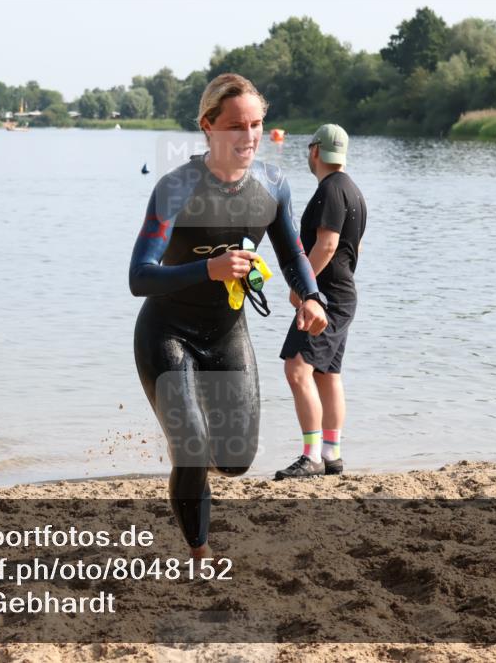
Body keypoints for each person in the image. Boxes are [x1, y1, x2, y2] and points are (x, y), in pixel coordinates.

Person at [129, 74, 328, 557]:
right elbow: (140, 277)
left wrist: (311, 296)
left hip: (225, 334)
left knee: (236, 461)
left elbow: (293, 255)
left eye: (257, 124)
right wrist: (209, 268)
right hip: (167, 332)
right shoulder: (175, 188)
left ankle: (192, 468)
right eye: (236, 125)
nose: (249, 136)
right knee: (193, 446)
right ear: (208, 126)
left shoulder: (272, 186)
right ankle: (198, 550)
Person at [275, 124, 367, 480]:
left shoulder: (329, 191)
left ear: (315, 151)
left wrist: (303, 287)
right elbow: (354, 248)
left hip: (326, 298)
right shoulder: (354, 191)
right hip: (343, 294)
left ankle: (312, 456)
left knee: (297, 369)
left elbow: (327, 245)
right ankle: (332, 453)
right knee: (328, 374)